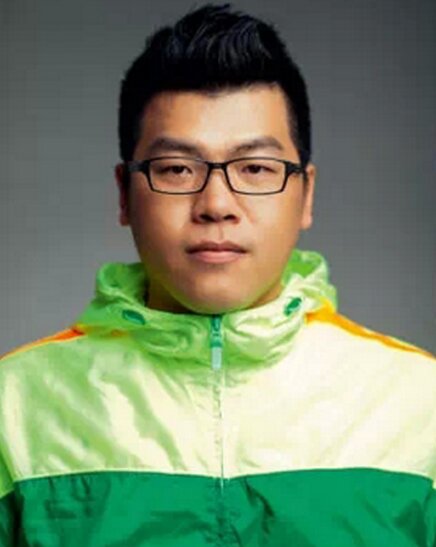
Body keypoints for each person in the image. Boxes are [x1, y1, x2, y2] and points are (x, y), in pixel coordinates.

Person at [0, 3, 435, 546]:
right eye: (177, 169)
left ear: (306, 194)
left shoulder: (421, 403)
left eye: (255, 168)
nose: (217, 205)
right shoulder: (14, 406)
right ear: (125, 195)